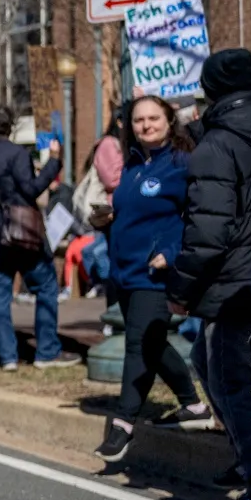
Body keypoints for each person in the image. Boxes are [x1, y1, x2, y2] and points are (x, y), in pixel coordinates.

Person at [168, 48, 251, 500]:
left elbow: (207, 232)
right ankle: (246, 462)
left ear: (211, 89)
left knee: (231, 384)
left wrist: (180, 289)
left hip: (235, 279)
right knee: (205, 362)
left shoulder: (217, 145)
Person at [93, 95, 209, 462]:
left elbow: (195, 214)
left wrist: (171, 252)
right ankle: (193, 407)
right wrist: (107, 221)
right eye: (138, 120)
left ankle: (124, 423)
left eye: (153, 118)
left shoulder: (181, 162)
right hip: (125, 270)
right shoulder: (133, 164)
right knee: (153, 344)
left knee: (138, 344)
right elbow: (135, 212)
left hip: (155, 273)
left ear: (169, 120)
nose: (146, 125)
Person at [0, 104, 66, 370]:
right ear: (11, 127)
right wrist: (54, 162)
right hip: (23, 236)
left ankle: (7, 357)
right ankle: (46, 351)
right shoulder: (17, 154)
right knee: (45, 287)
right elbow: (31, 190)